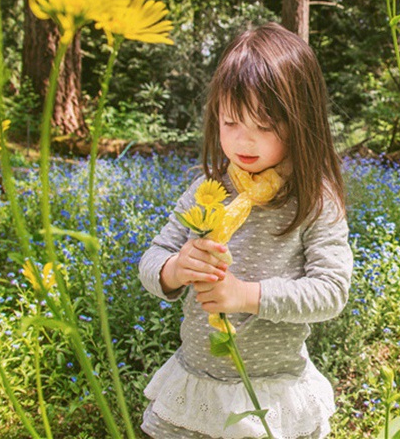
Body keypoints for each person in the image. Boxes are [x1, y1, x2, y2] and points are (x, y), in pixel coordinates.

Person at [138, 22, 352, 439]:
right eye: (231, 122)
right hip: (196, 378)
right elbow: (152, 258)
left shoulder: (314, 200)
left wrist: (246, 296)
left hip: (271, 392)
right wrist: (175, 268)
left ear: (301, 123)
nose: (244, 141)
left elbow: (332, 291)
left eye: (265, 126)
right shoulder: (208, 191)